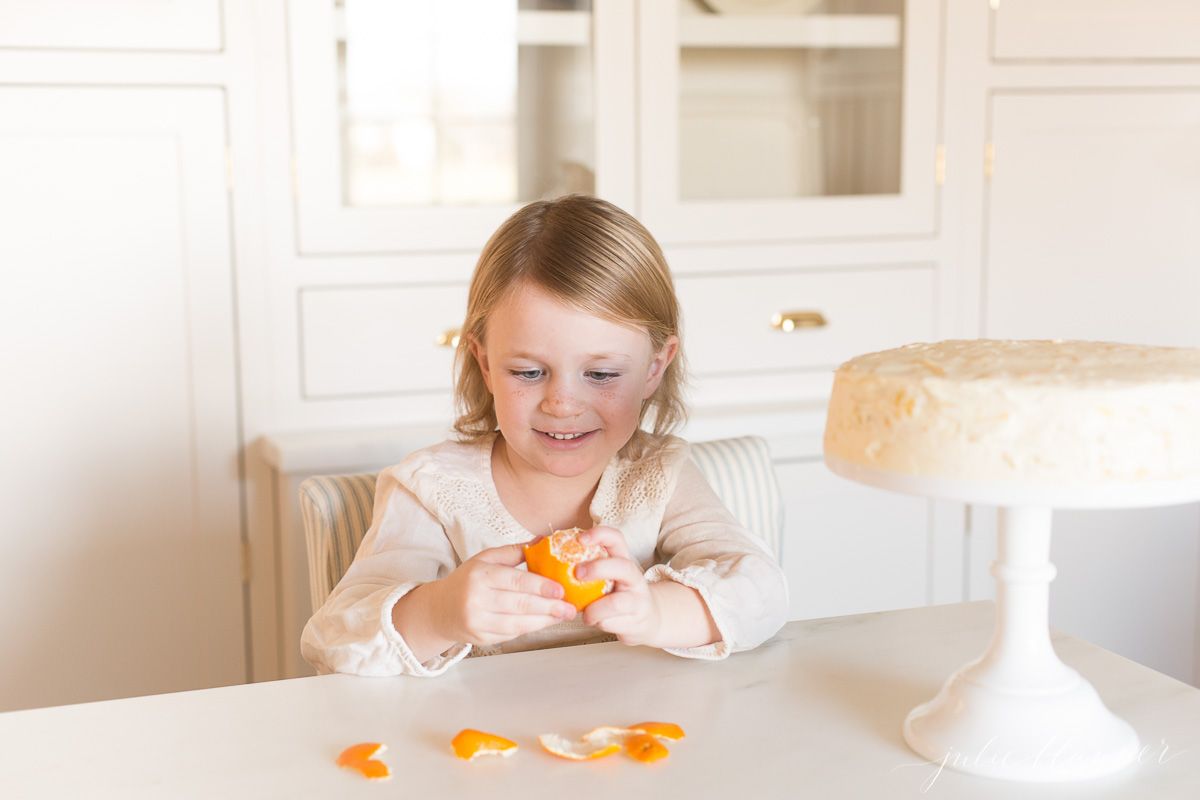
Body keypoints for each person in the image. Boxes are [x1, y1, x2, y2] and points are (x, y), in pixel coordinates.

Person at [301, 195, 789, 676]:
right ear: (485, 363)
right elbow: (335, 641)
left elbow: (762, 592)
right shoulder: (433, 489)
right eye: (530, 372)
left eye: (600, 375)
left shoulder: (658, 477)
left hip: (636, 738)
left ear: (654, 368)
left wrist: (657, 612)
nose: (562, 403)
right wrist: (440, 612)